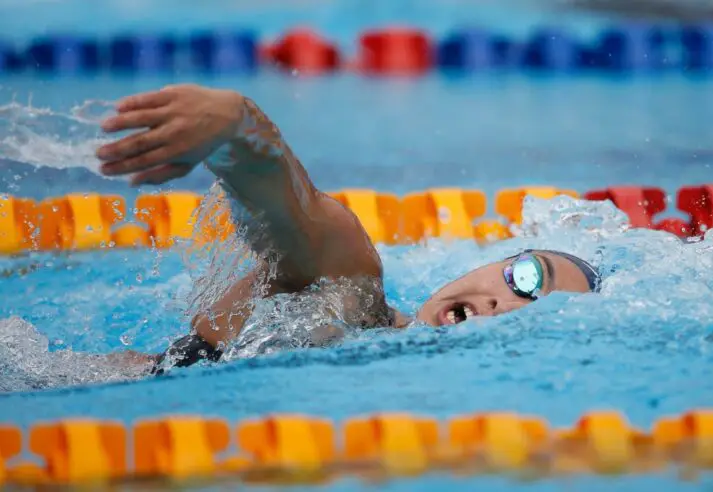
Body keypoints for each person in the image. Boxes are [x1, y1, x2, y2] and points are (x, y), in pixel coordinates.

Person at [95, 84, 601, 374]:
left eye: (537, 319)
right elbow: (297, 214)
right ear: (493, 263)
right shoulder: (355, 300)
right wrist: (239, 125)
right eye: (529, 279)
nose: (502, 306)